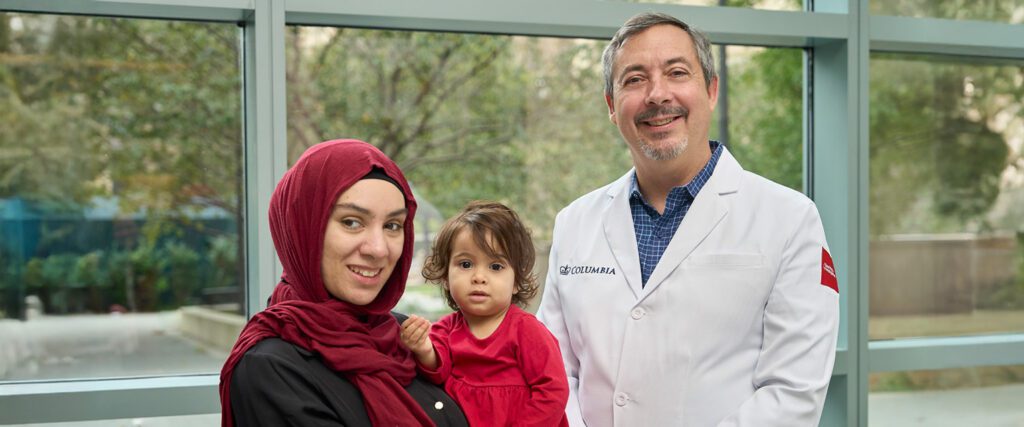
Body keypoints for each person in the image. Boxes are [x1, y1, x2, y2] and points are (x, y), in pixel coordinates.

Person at [537, 12, 840, 426]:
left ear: (711, 90)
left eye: (677, 72)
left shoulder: (790, 220)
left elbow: (793, 393)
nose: (657, 94)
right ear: (611, 106)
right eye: (634, 79)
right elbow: (550, 370)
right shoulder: (574, 223)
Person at [219, 139, 468, 426]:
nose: (378, 249)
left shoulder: (402, 336)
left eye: (392, 225)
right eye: (352, 222)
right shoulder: (270, 368)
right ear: (303, 228)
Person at [400, 201, 570, 427]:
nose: (479, 277)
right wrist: (423, 349)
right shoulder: (446, 330)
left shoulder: (526, 331)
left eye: (496, 267)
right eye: (466, 264)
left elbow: (553, 390)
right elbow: (437, 371)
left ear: (516, 282)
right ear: (446, 277)